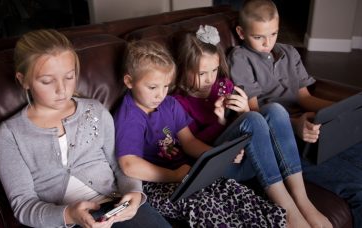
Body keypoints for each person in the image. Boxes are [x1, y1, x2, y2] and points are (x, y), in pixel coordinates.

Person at [0, 29, 171, 228]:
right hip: (65, 222)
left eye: (69, 77)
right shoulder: (10, 134)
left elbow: (120, 165)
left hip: (116, 207)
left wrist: (135, 193)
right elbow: (24, 206)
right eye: (47, 81)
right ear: (23, 80)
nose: (62, 89)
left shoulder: (95, 110)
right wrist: (68, 214)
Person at [114, 39, 287, 227]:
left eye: (165, 86)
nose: (160, 95)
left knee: (233, 191)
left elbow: (189, 142)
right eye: (152, 87)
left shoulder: (170, 104)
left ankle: (281, 222)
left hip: (187, 172)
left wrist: (219, 155)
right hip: (156, 182)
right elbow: (129, 165)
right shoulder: (129, 116)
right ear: (129, 81)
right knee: (206, 206)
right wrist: (174, 175)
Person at [173, 25, 331, 228]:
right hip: (219, 165)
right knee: (253, 120)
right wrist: (225, 124)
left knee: (274, 110)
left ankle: (302, 200)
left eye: (214, 70)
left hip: (251, 158)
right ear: (183, 68)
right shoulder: (177, 103)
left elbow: (244, 128)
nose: (209, 79)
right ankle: (287, 209)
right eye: (201, 73)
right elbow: (191, 145)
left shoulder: (223, 85)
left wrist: (241, 111)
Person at [228, 0, 362, 227]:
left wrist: (342, 109)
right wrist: (295, 125)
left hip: (309, 126)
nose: (267, 43)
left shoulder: (289, 52)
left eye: (273, 34)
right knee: (355, 188)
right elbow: (254, 111)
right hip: (279, 135)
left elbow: (305, 98)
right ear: (241, 32)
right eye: (259, 37)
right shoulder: (240, 58)